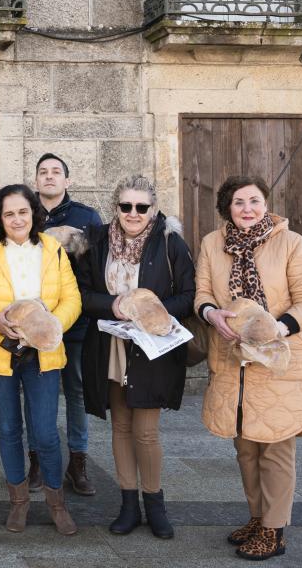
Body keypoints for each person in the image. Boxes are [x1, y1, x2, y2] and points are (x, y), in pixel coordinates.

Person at [195, 175, 302, 561]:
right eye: (238, 202)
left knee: (275, 448)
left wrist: (276, 328)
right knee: (246, 448)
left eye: (254, 201)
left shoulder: (291, 243)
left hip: (278, 360)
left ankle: (274, 529)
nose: (247, 208)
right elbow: (202, 292)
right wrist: (210, 312)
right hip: (235, 362)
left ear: (266, 204)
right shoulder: (212, 244)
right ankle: (257, 517)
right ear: (226, 209)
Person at [75, 176, 195, 540]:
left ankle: (154, 504)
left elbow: (188, 295)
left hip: (151, 350)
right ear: (116, 208)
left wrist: (150, 312)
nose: (133, 213)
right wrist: (111, 304)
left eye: (141, 207)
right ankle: (128, 505)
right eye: (125, 206)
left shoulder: (170, 243)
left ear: (153, 210)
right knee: (121, 428)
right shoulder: (96, 242)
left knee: (145, 433)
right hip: (110, 346)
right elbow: (81, 293)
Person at [0, 185, 82, 535]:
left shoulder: (53, 250)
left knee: (45, 432)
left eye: (23, 212)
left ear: (34, 213)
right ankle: (18, 502)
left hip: (43, 353)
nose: (17, 219)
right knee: (9, 429)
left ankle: (57, 504)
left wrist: (51, 326)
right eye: (9, 213)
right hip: (0, 353)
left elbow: (71, 297)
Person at [27, 152, 103, 495]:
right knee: (37, 393)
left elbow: (98, 265)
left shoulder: (87, 217)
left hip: (76, 323)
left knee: (75, 392)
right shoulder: (25, 216)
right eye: (43, 172)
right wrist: (51, 237)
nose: (49, 177)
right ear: (36, 180)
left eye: (56, 171)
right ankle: (38, 461)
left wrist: (78, 241)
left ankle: (77, 461)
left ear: (67, 180)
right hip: (35, 322)